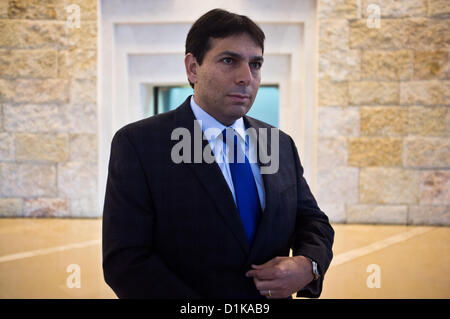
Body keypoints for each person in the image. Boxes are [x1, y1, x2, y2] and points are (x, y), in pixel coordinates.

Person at [102, 8, 334, 299]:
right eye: (229, 60)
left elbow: (313, 221)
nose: (246, 77)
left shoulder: (279, 143)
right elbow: (125, 262)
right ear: (193, 67)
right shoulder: (139, 144)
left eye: (256, 64)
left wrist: (308, 265)